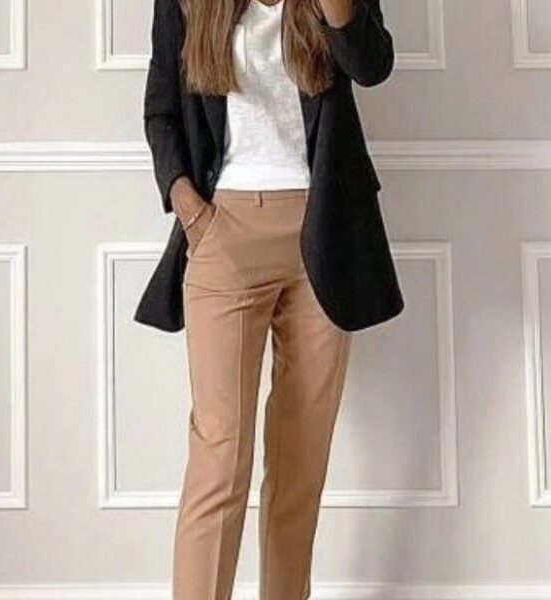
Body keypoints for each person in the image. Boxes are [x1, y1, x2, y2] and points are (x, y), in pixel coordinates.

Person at [134, 0, 405, 597]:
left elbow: (371, 65)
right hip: (224, 230)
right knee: (220, 456)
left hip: (325, 233)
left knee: (299, 465)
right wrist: (191, 210)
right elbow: (160, 110)